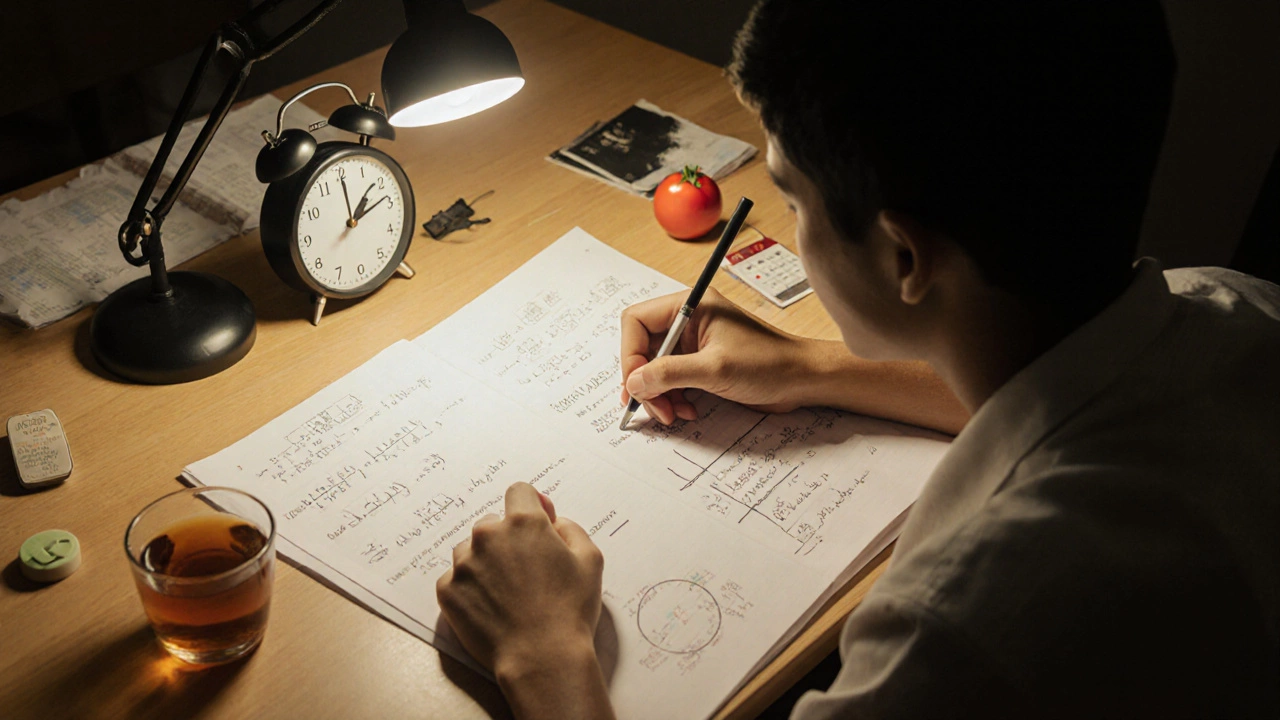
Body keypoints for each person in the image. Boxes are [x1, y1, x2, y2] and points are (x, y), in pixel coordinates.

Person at [434, 0, 1280, 717]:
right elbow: (1068, 383)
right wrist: (812, 366)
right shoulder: (1236, 304)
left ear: (903, 260)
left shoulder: (952, 630)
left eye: (792, 198)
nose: (791, 230)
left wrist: (544, 658)